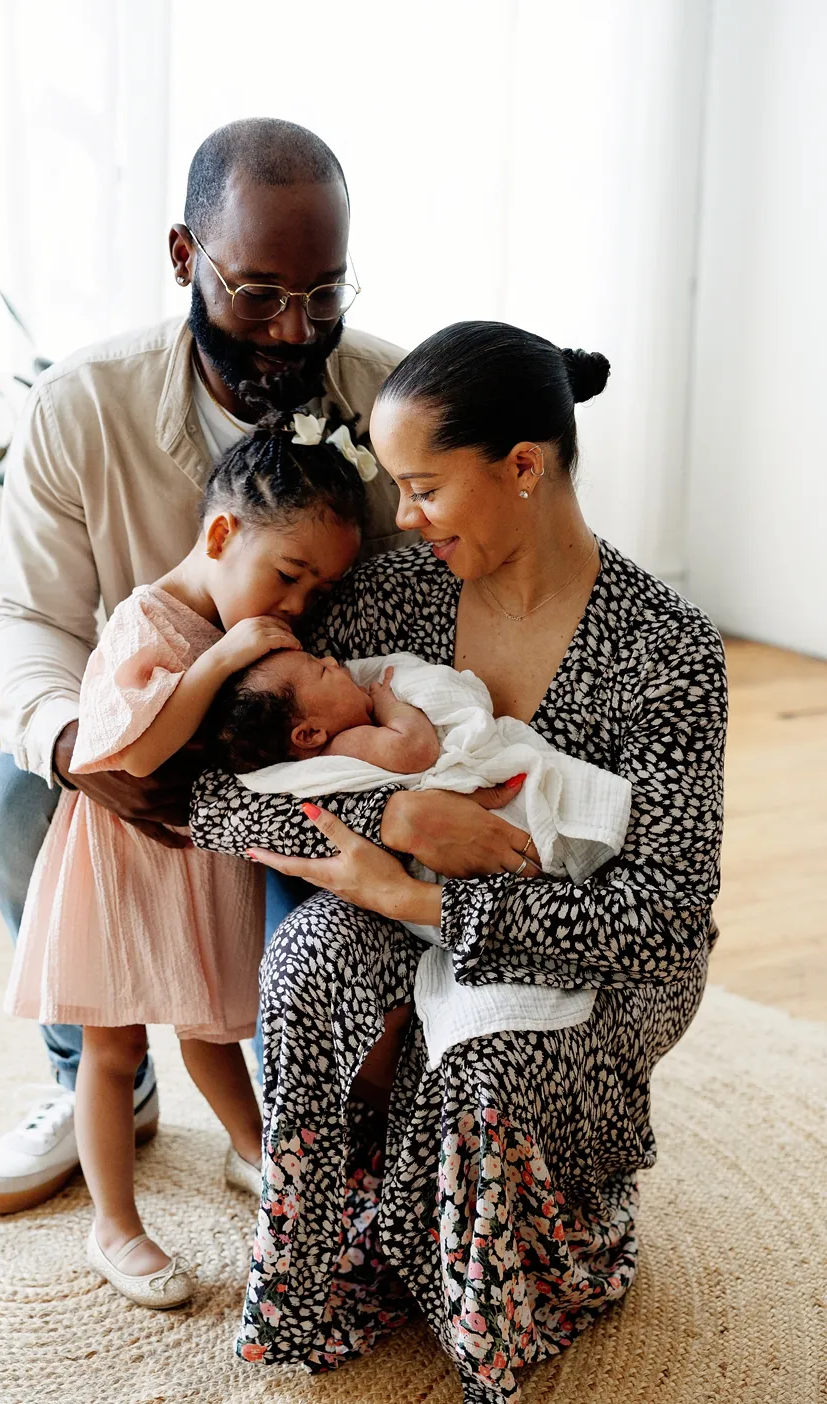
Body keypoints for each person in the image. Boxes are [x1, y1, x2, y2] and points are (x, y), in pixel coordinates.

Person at [190, 320, 728, 1403]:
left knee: (483, 1066)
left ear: (522, 465)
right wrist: (401, 821)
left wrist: (437, 904)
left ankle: (499, 1287)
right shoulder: (399, 594)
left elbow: (667, 917)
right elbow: (221, 796)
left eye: (424, 488)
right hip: (406, 893)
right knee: (304, 971)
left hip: (590, 944)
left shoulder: (668, 651)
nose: (402, 517)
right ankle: (315, 1272)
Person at [0, 117, 410, 1216]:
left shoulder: (389, 396)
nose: (295, 329)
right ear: (183, 256)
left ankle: (305, 1115)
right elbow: (29, 616)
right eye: (259, 293)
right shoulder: (83, 404)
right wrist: (80, 748)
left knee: (316, 920)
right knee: (14, 797)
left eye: (324, 294)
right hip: (140, 731)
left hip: (313, 742)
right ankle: (95, 1079)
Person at [3, 417, 369, 1306]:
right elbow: (132, 751)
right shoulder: (149, 621)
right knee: (114, 1045)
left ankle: (255, 1148)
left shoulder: (247, 628)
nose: (298, 605)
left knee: (211, 1025)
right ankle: (115, 1224)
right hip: (122, 868)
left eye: (319, 589)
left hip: (199, 865)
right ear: (220, 535)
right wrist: (227, 658)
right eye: (289, 574)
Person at [208, 651, 441, 771]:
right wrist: (388, 705)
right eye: (322, 671)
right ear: (310, 734)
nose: (331, 660)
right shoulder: (342, 746)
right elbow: (415, 748)